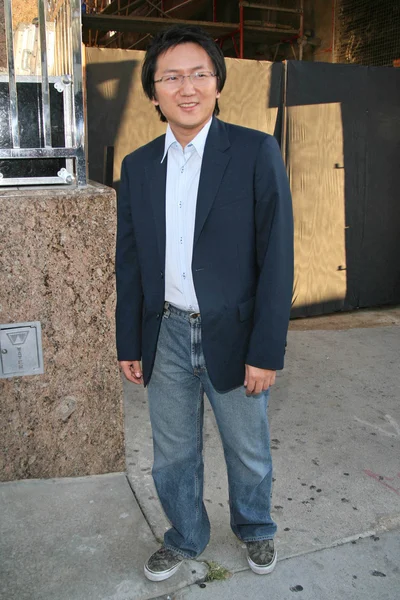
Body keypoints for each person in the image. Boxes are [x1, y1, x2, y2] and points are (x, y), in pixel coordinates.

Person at [116, 25, 294, 582]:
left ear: (217, 84)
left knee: (247, 449)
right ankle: (186, 535)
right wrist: (130, 341)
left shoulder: (254, 151)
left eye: (199, 74)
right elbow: (131, 264)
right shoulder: (138, 165)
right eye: (171, 77)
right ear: (154, 93)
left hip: (235, 332)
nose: (186, 87)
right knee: (172, 454)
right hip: (164, 333)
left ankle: (256, 529)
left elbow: (277, 258)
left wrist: (265, 350)